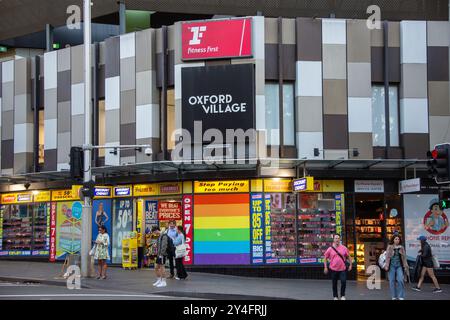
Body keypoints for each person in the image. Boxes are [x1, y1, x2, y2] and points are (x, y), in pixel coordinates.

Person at [323, 234, 353, 300]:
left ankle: (342, 295)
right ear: (333, 240)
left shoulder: (344, 248)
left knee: (343, 281)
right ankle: (335, 296)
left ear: (340, 239)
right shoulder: (330, 249)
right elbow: (325, 257)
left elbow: (349, 257)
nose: (337, 240)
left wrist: (350, 265)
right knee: (334, 283)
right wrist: (325, 267)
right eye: (336, 238)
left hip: (342, 269)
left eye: (338, 238)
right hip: (333, 269)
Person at [384, 235, 409, 300]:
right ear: (393, 240)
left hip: (399, 266)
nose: (397, 240)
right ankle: (394, 295)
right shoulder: (389, 247)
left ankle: (401, 296)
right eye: (396, 239)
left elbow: (404, 257)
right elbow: (387, 257)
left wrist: (405, 265)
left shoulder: (402, 247)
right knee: (391, 281)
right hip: (391, 266)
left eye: (398, 239)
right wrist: (386, 265)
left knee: (400, 280)